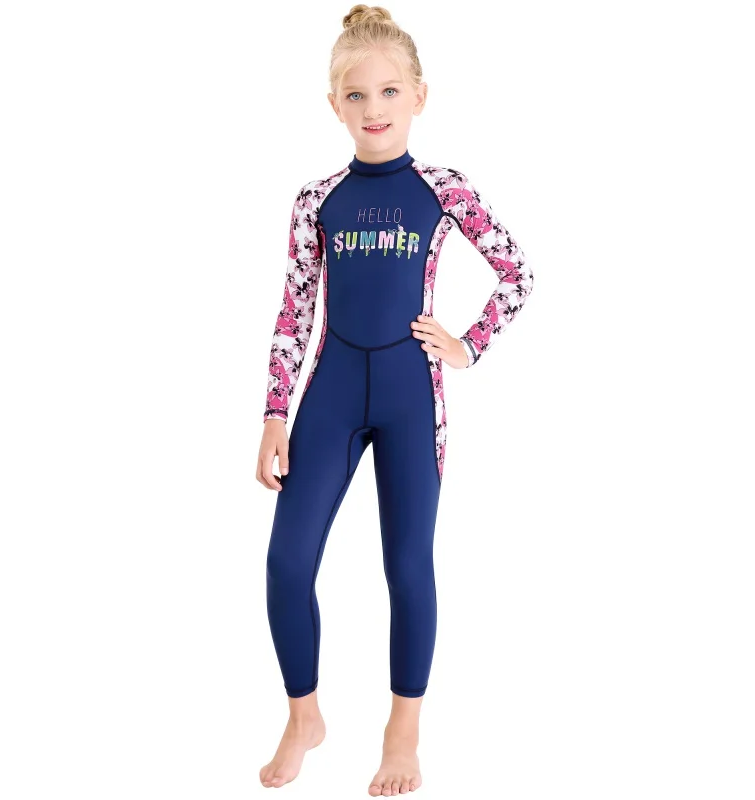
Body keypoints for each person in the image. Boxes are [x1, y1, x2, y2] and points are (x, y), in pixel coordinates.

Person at [256, 4, 534, 794]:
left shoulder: (443, 189)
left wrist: (468, 343)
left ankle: (402, 732)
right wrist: (274, 413)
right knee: (285, 562)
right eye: (355, 95)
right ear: (334, 105)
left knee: (407, 566)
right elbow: (294, 310)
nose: (372, 109)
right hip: (332, 393)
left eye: (387, 92)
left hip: (414, 395)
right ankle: (304, 715)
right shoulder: (317, 200)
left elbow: (516, 273)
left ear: (418, 95)